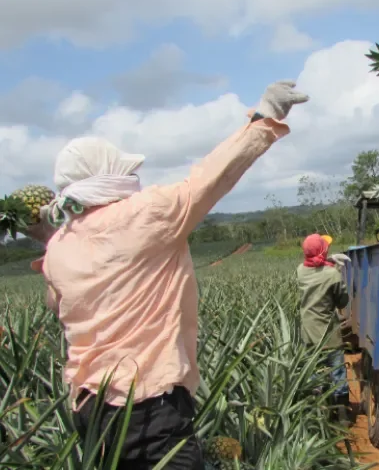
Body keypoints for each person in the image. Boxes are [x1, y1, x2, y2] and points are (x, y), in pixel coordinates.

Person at [24, 80, 309, 469]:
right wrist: (266, 117)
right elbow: (213, 176)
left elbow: (58, 306)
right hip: (146, 408)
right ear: (107, 176)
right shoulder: (145, 216)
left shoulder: (58, 246)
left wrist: (52, 239)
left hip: (88, 408)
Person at [296, 233, 351, 426]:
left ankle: (318, 415)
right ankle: (342, 415)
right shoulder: (333, 275)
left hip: (309, 333)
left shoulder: (300, 271)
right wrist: (334, 268)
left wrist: (328, 262)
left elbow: (315, 267)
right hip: (329, 334)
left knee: (313, 372)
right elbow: (342, 300)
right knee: (337, 372)